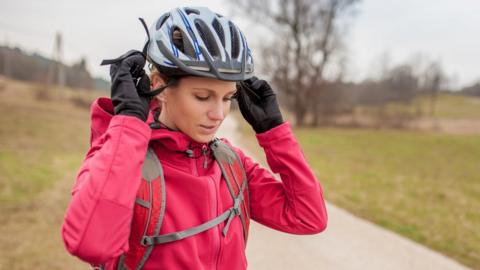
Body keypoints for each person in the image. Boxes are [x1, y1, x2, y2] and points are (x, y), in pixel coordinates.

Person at [61, 6, 327, 270]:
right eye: (202, 97)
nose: (219, 114)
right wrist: (129, 122)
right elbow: (91, 245)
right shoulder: (123, 160)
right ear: (158, 86)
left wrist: (273, 131)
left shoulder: (230, 165)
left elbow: (308, 217)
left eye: (227, 98)